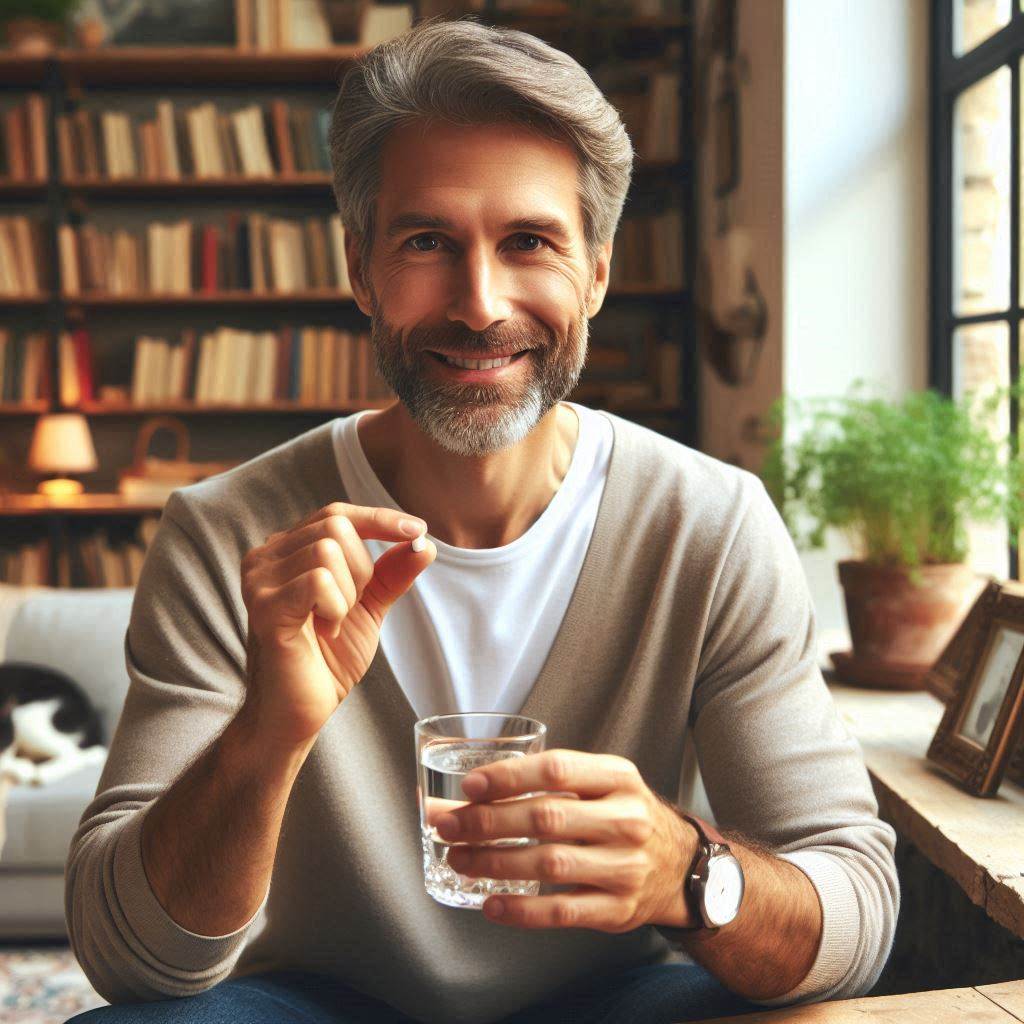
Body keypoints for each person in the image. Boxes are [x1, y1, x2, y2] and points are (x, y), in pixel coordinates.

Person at [65, 16, 899, 1024]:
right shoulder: (227, 532)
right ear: (360, 270)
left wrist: (688, 873)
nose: (478, 302)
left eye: (528, 241)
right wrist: (265, 735)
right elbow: (129, 961)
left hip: (615, 995)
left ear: (595, 270)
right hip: (316, 1005)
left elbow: (856, 908)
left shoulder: (708, 525)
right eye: (426, 241)